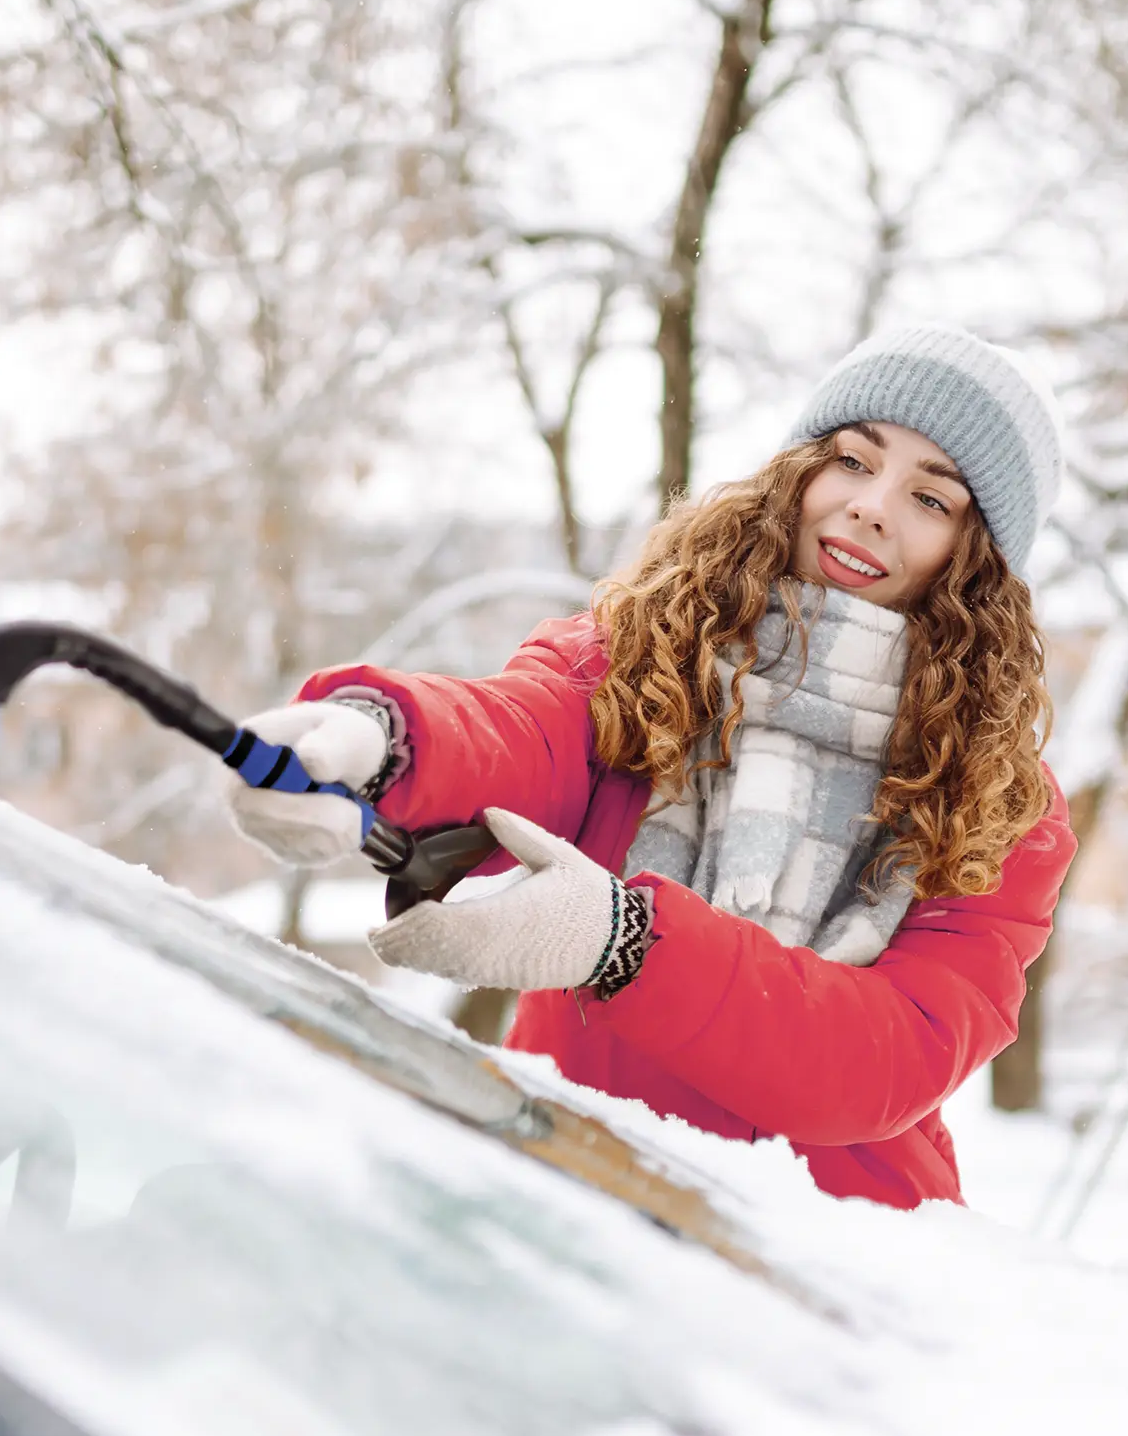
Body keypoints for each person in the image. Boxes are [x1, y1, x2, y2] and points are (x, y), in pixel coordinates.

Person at [225, 324, 1078, 1210]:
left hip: (828, 1251)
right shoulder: (645, 655)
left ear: (975, 563)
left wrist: (628, 943)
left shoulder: (1000, 804)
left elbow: (888, 1060)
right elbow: (524, 735)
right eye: (855, 461)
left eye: (931, 500)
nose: (872, 506)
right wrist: (380, 738)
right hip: (568, 1187)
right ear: (800, 472)